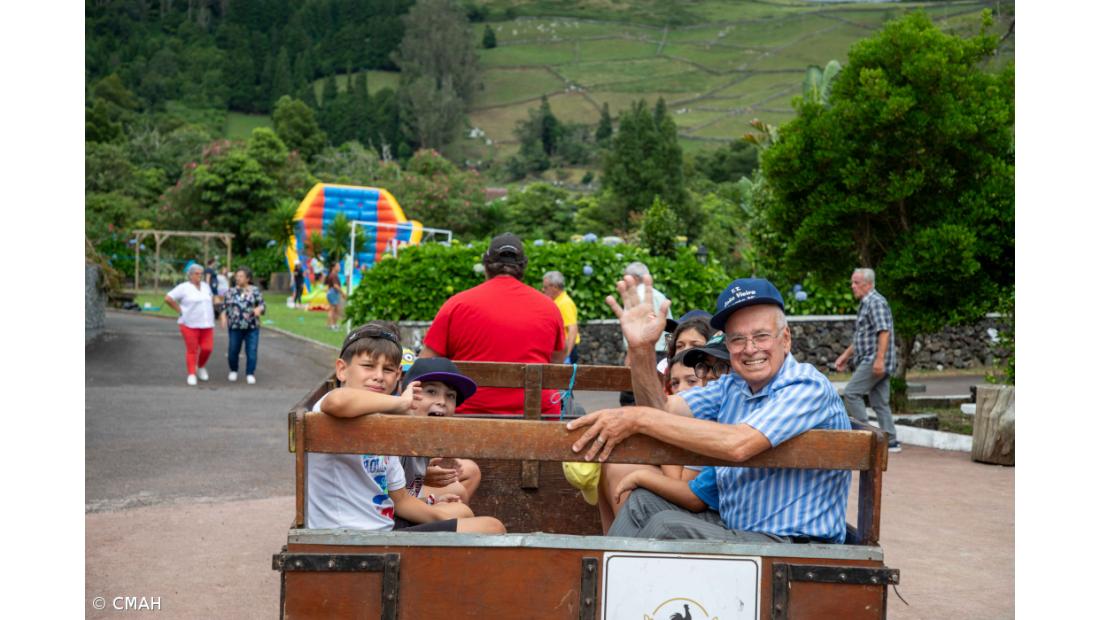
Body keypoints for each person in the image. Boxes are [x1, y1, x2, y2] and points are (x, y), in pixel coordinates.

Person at [569, 275, 851, 544]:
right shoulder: (734, 386)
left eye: (761, 336)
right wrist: (642, 349)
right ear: (727, 344)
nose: (750, 348)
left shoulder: (805, 385)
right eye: (738, 339)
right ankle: (609, 576)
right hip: (737, 528)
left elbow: (738, 444)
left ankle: (617, 575)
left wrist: (638, 418)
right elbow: (662, 409)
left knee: (666, 528)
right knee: (640, 503)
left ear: (785, 338)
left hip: (794, 543)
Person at [305, 321, 506, 534]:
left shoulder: (386, 425)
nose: (379, 376)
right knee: (492, 528)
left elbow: (401, 500)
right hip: (346, 536)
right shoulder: (331, 409)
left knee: (464, 513)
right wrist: (400, 403)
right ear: (342, 370)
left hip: (382, 530)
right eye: (368, 366)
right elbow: (337, 401)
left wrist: (441, 513)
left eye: (388, 369)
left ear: (397, 375)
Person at [421, 233, 565, 417]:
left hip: (468, 417)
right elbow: (557, 361)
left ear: (486, 266)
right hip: (537, 416)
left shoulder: (457, 304)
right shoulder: (549, 307)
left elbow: (425, 364)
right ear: (523, 267)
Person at [398, 358, 483, 510]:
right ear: (407, 394)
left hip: (412, 488)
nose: (442, 402)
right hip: (395, 497)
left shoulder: (433, 430)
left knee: (470, 470)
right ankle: (435, 515)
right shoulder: (396, 427)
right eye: (431, 392)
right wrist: (423, 477)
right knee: (459, 495)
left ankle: (438, 513)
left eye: (450, 396)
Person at [835, 267, 901, 452]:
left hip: (874, 359)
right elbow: (862, 337)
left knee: (851, 393)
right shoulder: (866, 303)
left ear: (869, 284)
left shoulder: (875, 302)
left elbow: (884, 332)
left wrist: (879, 360)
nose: (852, 286)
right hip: (874, 359)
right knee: (879, 402)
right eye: (852, 282)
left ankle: (865, 436)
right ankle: (891, 441)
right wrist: (845, 356)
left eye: (856, 283)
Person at [618, 261, 673, 406]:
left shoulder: (634, 299)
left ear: (635, 278)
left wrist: (630, 359)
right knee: (658, 396)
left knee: (630, 398)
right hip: (662, 355)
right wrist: (669, 355)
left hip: (642, 353)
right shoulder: (659, 296)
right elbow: (670, 329)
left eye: (626, 278)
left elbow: (633, 335)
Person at [163, 263, 216, 386]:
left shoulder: (206, 286)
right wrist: (180, 310)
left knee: (207, 349)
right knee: (192, 350)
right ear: (190, 275)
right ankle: (191, 373)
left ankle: (201, 366)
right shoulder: (183, 287)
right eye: (197, 274)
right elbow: (168, 298)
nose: (199, 276)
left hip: (207, 324)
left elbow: (210, 300)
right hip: (189, 324)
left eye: (201, 274)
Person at [220, 267, 265, 385]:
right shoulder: (230, 291)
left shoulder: (255, 291)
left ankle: (250, 373)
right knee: (233, 350)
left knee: (252, 350)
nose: (238, 278)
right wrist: (223, 318)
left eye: (241, 276)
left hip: (252, 326)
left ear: (248, 279)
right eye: (237, 276)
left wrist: (259, 309)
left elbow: (262, 305)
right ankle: (233, 370)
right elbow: (224, 307)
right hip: (235, 326)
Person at [542, 270, 581, 365]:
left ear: (555, 287)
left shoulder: (565, 303)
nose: (543, 290)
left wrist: (567, 355)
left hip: (567, 349)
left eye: (546, 287)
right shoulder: (558, 301)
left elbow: (573, 329)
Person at [324, 261, 345, 331]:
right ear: (333, 267)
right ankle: (332, 325)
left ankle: (331, 325)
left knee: (334, 309)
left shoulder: (332, 274)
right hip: (333, 293)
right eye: (338, 266)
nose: (339, 268)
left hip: (332, 292)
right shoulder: (333, 275)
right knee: (334, 310)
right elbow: (335, 286)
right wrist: (342, 293)